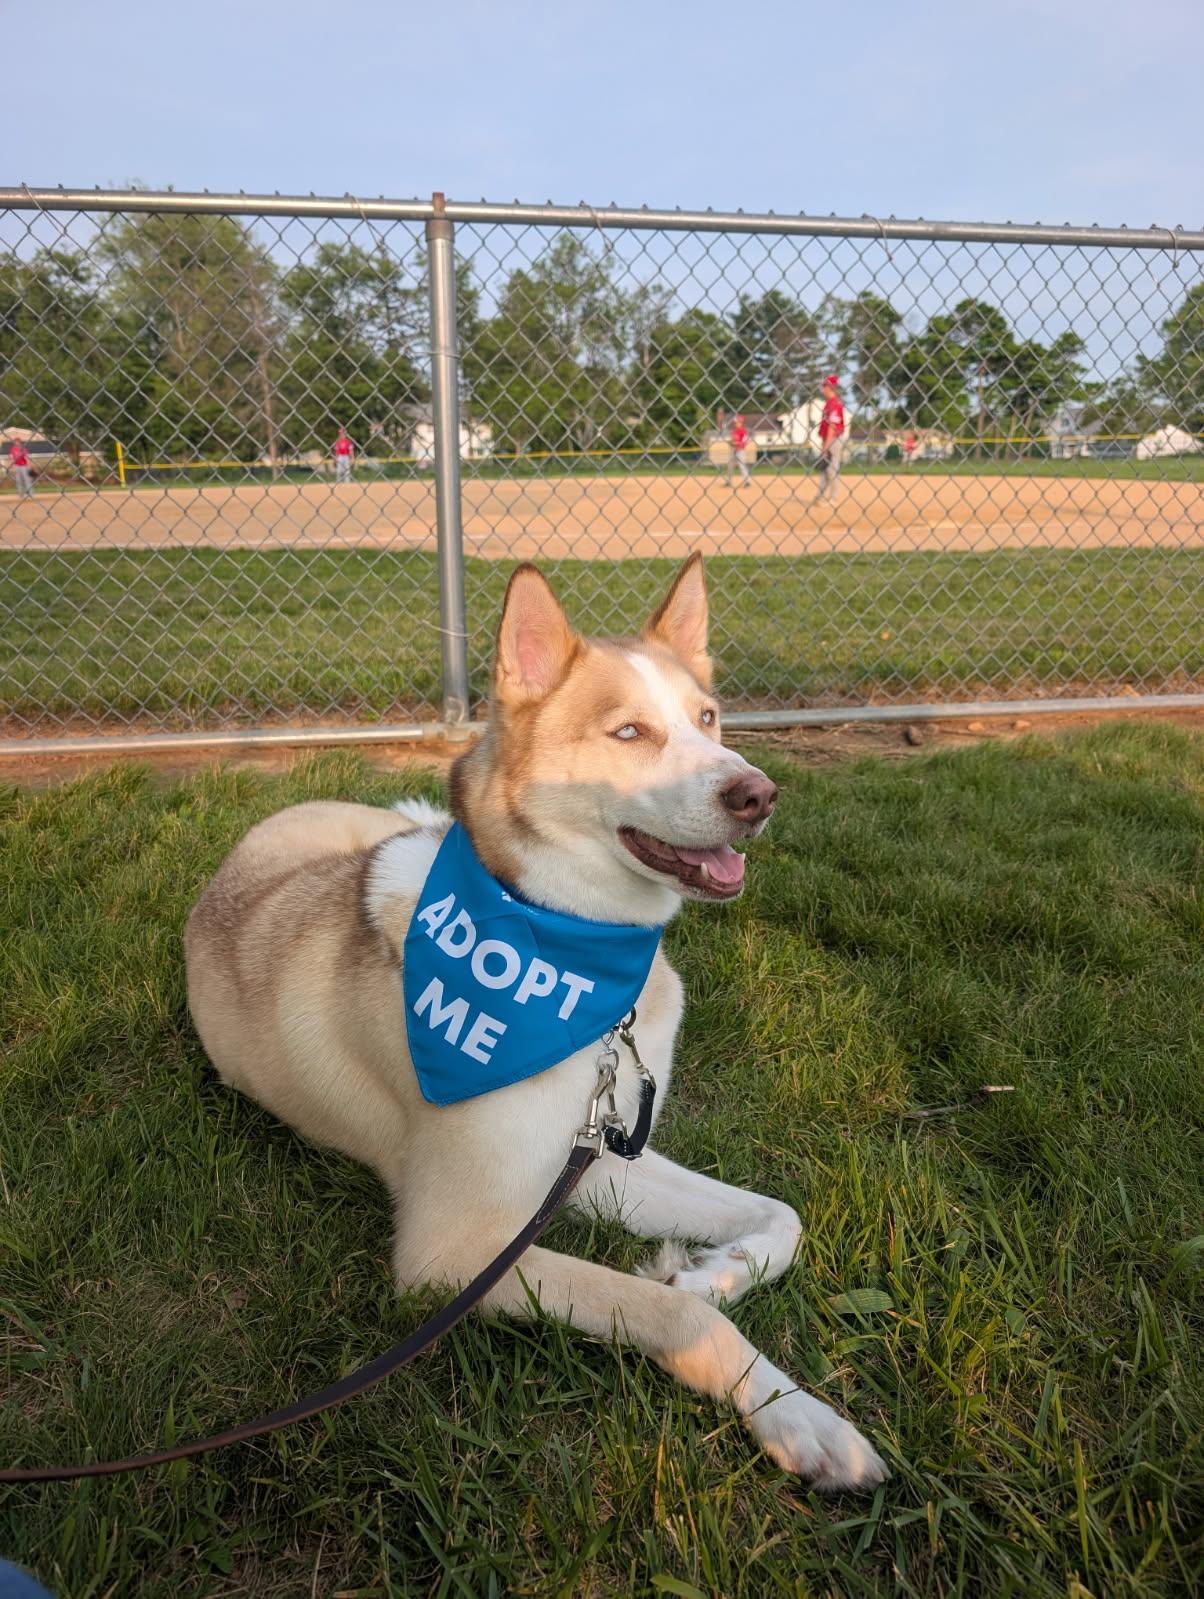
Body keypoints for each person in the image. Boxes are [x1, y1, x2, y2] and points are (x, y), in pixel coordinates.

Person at [815, 377, 846, 502]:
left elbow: (832, 428)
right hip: (827, 439)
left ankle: (833, 497)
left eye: (824, 386)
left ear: (830, 388)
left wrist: (825, 447)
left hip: (834, 439)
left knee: (832, 468)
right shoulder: (828, 404)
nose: (823, 389)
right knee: (825, 469)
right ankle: (820, 496)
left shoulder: (834, 404)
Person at [728, 413, 751, 488]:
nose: (735, 424)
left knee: (742, 466)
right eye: (735, 422)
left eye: (737, 422)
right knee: (730, 466)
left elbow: (746, 441)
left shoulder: (743, 431)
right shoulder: (734, 431)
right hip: (733, 450)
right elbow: (732, 441)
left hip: (740, 451)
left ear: (741, 423)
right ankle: (729, 481)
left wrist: (738, 443)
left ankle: (747, 482)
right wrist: (731, 443)